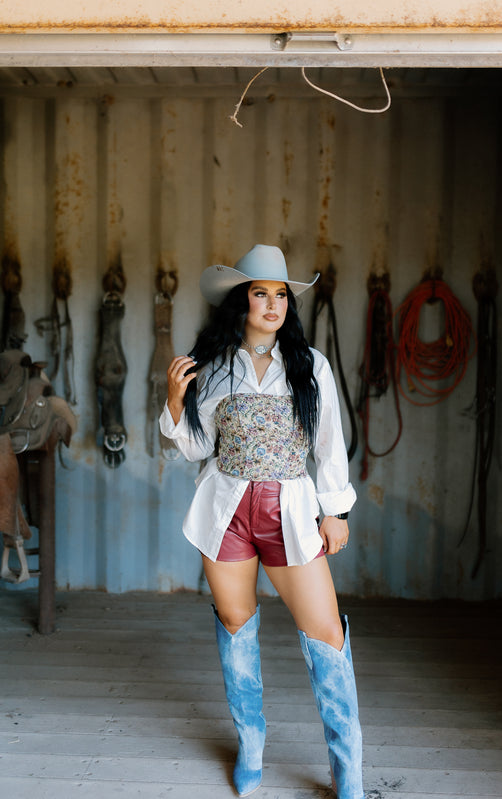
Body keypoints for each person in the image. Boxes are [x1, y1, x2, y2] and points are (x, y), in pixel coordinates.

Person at [160, 244, 364, 799]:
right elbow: (197, 447)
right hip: (225, 511)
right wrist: (176, 404)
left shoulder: (310, 365)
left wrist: (336, 509)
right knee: (235, 626)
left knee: (324, 632)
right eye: (261, 294)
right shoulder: (214, 365)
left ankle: (349, 773)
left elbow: (329, 444)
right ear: (240, 300)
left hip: (290, 511)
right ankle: (251, 747)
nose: (273, 305)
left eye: (281, 296)